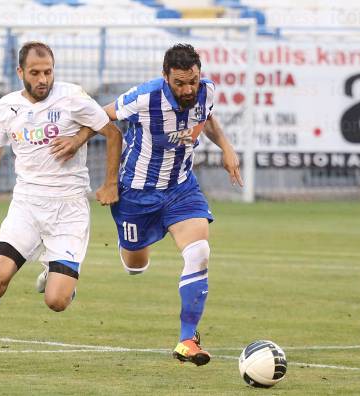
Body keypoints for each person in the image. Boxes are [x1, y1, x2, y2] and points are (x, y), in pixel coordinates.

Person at [0, 41, 122, 374]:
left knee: (56, 301)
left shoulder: (72, 98)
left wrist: (110, 182)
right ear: (20, 72)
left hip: (68, 210)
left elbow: (112, 133)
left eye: (48, 72)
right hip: (26, 206)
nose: (43, 79)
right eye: (36, 73)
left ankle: (56, 277)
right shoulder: (6, 107)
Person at [65, 43, 243, 366]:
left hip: (180, 189)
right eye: (180, 83)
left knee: (199, 252)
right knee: (135, 266)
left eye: (193, 80)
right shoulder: (145, 98)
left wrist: (226, 147)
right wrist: (78, 145)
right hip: (135, 194)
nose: (188, 89)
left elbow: (209, 118)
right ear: (165, 77)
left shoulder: (207, 91)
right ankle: (103, 261)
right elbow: (100, 117)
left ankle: (187, 339)